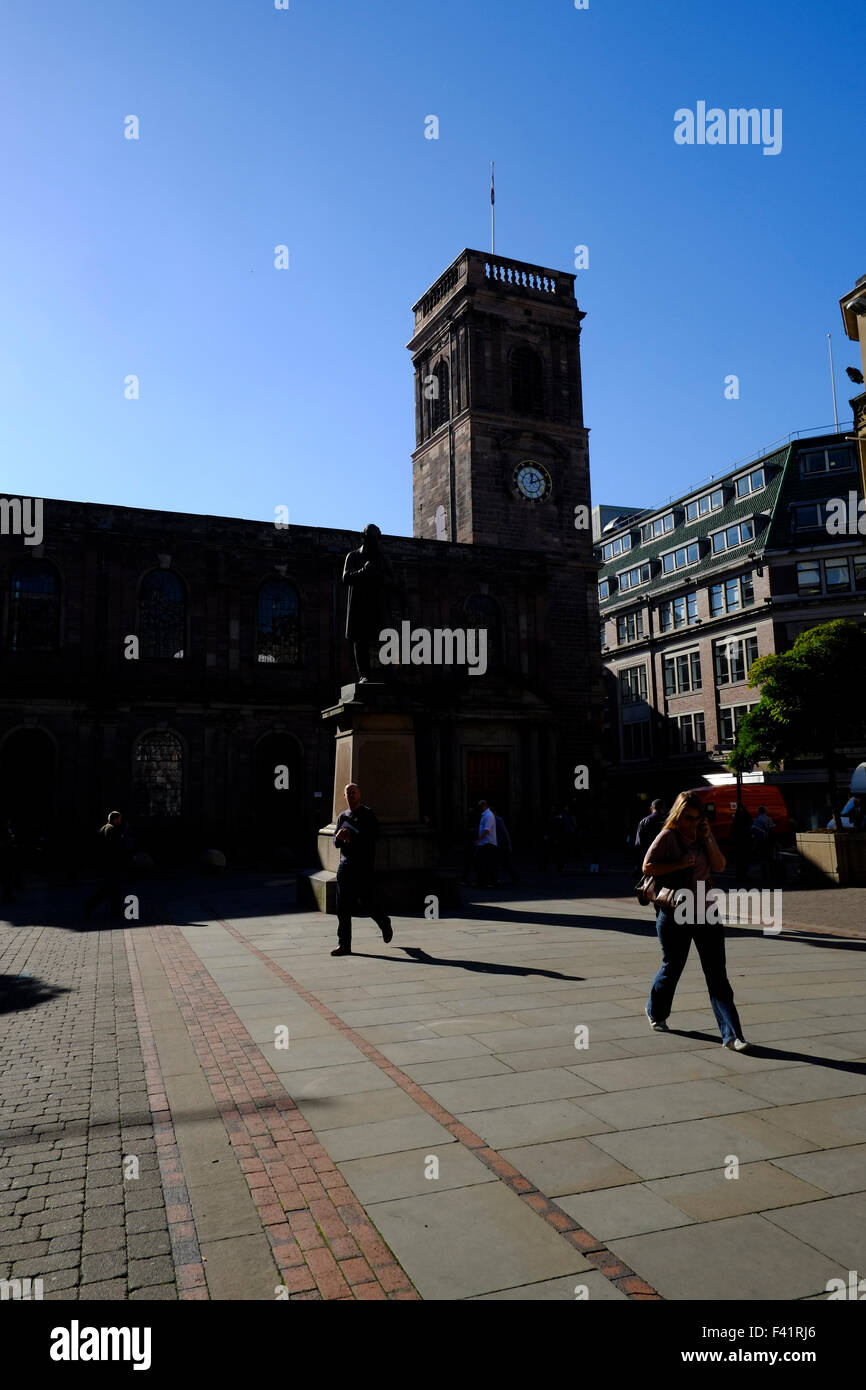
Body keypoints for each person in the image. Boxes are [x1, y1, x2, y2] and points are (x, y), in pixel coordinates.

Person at [643, 790, 750, 1051]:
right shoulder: (667, 836)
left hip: (707, 912)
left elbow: (720, 865)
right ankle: (655, 1011)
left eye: (696, 818)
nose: (691, 823)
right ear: (678, 816)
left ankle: (732, 1035)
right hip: (675, 912)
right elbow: (647, 867)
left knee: (717, 975)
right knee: (672, 967)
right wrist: (679, 864)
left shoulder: (703, 837)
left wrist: (709, 836)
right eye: (687, 818)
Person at [331, 783, 392, 956]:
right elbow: (335, 843)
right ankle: (344, 945)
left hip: (363, 866)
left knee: (367, 902)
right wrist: (338, 837)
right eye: (348, 792)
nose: (351, 795)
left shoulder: (368, 814)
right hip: (345, 865)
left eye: (354, 792)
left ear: (359, 795)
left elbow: (374, 837)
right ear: (344, 796)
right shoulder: (342, 816)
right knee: (342, 907)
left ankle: (384, 922)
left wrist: (353, 837)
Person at [83, 811, 129, 922]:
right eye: (119, 819)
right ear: (115, 819)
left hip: (105, 864)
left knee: (112, 889)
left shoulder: (104, 828)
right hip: (111, 864)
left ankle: (114, 911)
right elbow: (114, 848)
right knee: (111, 889)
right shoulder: (112, 830)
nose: (120, 821)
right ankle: (91, 904)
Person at [634, 800, 666, 867]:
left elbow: (638, 844)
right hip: (664, 858)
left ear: (651, 809)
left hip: (647, 857)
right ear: (663, 809)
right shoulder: (668, 821)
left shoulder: (644, 821)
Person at [474, 800, 498, 887]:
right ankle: (482, 881)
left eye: (480, 807)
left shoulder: (488, 815)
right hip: (484, 843)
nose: (479, 809)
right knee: (481, 863)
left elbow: (486, 830)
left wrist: (479, 840)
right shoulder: (485, 815)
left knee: (488, 864)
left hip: (488, 843)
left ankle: (493, 882)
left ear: (484, 806)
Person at [493, 809, 520, 884]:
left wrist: (508, 845)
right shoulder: (494, 821)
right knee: (499, 863)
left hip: (501, 846)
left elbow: (505, 833)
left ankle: (515, 877)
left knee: (505, 863)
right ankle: (496, 879)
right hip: (496, 845)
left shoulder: (498, 820)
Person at [751, 805, 775, 882]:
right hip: (768, 841)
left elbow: (753, 830)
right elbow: (773, 830)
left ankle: (764, 875)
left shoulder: (757, 820)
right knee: (769, 857)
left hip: (760, 841)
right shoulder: (769, 819)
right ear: (765, 811)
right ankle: (769, 874)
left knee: (762, 858)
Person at [730, 803, 753, 883]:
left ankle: (740, 875)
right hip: (745, 841)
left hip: (739, 843)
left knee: (739, 860)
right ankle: (743, 875)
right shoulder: (746, 816)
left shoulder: (737, 818)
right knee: (744, 860)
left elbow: (733, 830)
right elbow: (750, 823)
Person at [0, 818, 20, 903]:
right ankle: (6, 895)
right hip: (5, 858)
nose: (9, 823)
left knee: (8, 878)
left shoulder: (8, 831)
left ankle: (8, 895)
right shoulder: (4, 832)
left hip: (8, 857)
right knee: (6, 878)